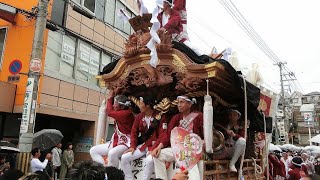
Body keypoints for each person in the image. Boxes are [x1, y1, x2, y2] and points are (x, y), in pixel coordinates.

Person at [153, 95, 203, 180]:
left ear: (190, 104)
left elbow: (205, 134)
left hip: (192, 150)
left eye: (182, 102)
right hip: (178, 148)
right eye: (178, 102)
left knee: (192, 169)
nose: (179, 105)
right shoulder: (176, 118)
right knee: (159, 155)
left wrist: (202, 143)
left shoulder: (198, 116)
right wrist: (159, 147)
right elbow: (168, 135)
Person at [121, 96, 167, 180]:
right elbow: (134, 132)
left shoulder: (160, 117)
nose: (139, 105)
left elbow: (163, 135)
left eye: (141, 103)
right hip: (144, 146)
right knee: (124, 157)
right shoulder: (139, 117)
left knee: (149, 160)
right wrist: (132, 146)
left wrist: (155, 148)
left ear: (148, 105)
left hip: (154, 146)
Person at [90, 90, 135, 167]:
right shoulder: (123, 112)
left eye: (115, 104)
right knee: (93, 150)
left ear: (122, 106)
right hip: (116, 141)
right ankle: (103, 171)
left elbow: (110, 112)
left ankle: (113, 174)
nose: (113, 106)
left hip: (127, 142)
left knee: (112, 153)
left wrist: (110, 98)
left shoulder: (126, 114)